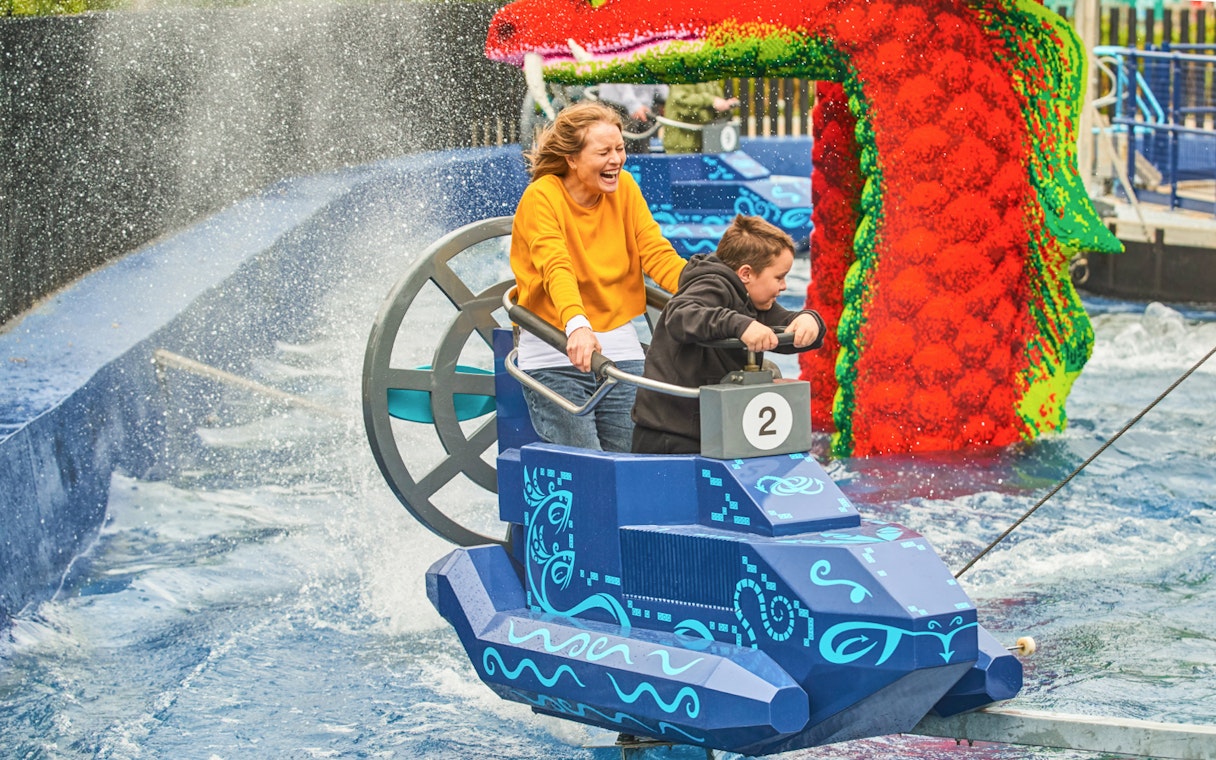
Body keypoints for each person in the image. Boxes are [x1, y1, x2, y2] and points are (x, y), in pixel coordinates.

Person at [510, 100, 688, 452]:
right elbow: (555, 265)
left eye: (620, 149)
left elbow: (656, 252)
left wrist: (711, 291)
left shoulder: (625, 188)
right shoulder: (541, 197)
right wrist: (577, 325)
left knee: (633, 459)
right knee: (586, 463)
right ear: (572, 159)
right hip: (555, 350)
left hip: (618, 350)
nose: (617, 160)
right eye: (604, 151)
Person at [631, 215, 826, 455]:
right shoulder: (710, 284)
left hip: (712, 428)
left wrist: (809, 321)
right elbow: (681, 315)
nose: (784, 286)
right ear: (746, 274)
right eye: (778, 277)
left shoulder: (754, 299)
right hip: (670, 433)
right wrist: (740, 325)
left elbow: (783, 325)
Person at [662, 80, 739, 154]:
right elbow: (681, 100)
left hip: (705, 142)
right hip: (682, 143)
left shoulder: (710, 77)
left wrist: (725, 105)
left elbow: (716, 104)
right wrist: (710, 101)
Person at [596, 84, 667, 153]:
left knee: (642, 149)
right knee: (620, 147)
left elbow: (659, 84)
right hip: (615, 105)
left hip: (643, 109)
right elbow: (622, 82)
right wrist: (634, 106)